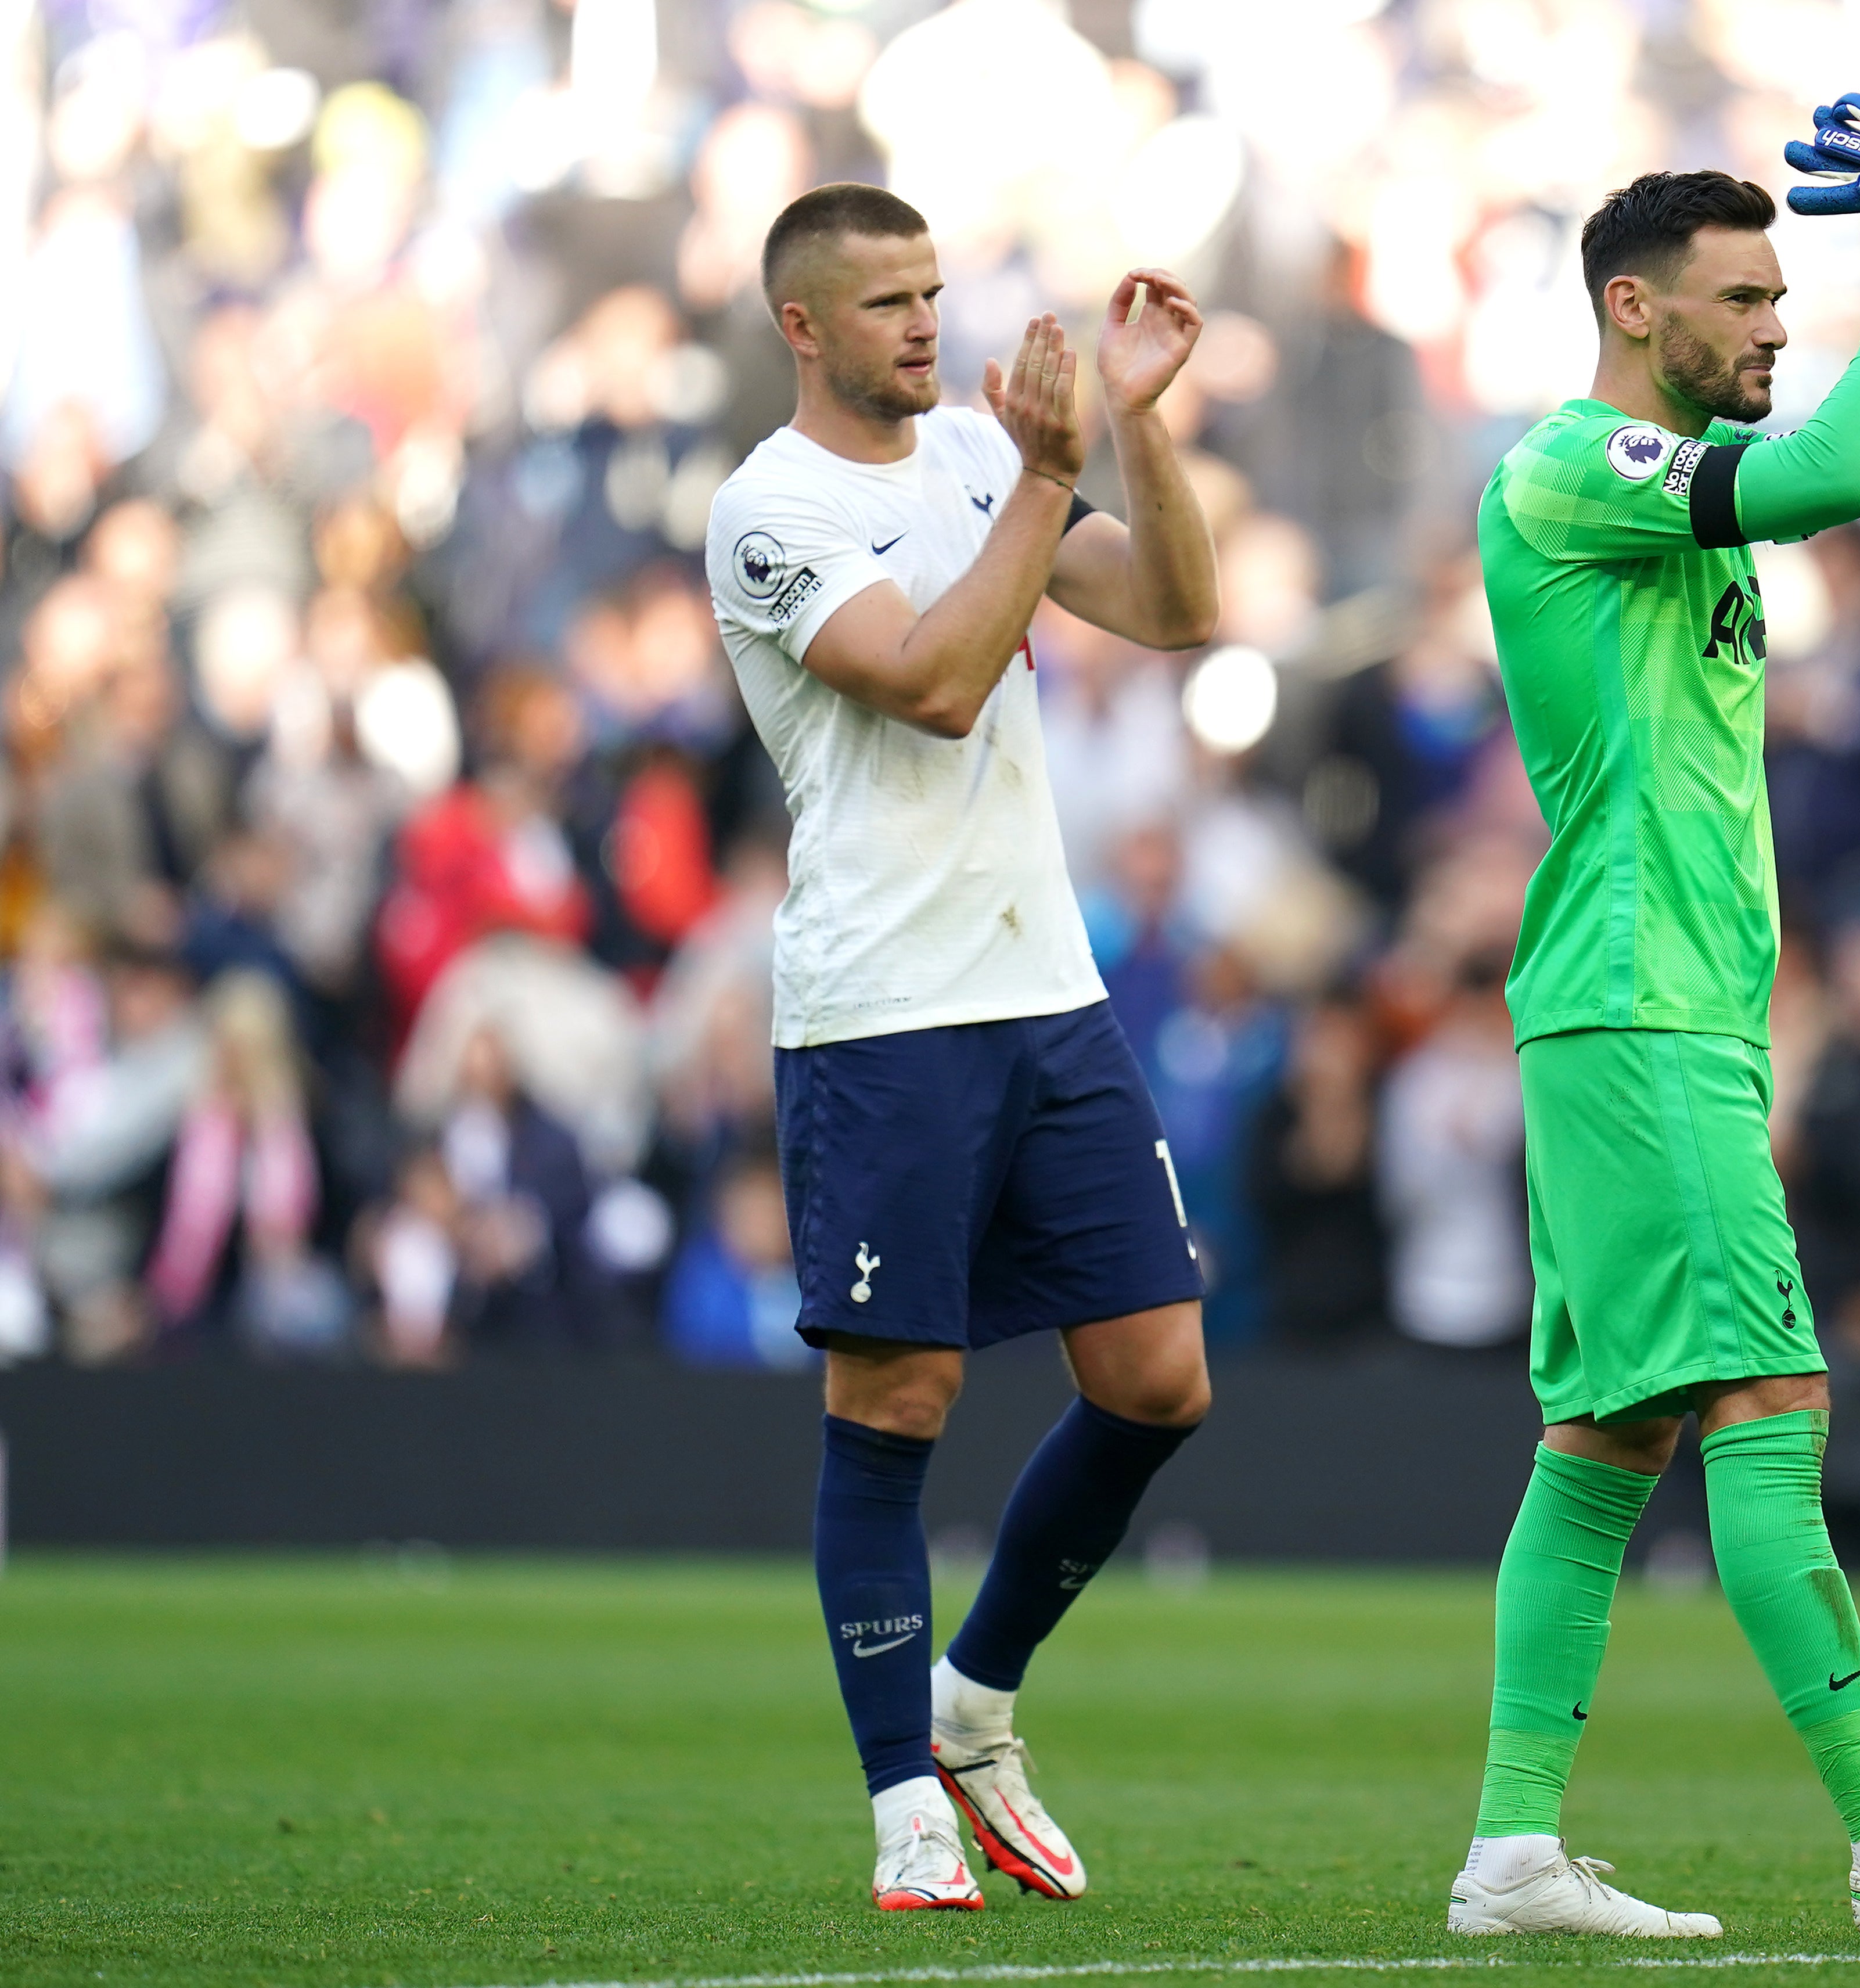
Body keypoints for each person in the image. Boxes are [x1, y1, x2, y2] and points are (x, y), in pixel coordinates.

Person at [1448, 88, 1860, 1946]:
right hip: (1638, 1009)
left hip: (1654, 1016)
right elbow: (1824, 475)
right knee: (1765, 1396)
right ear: (1636, 308)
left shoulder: (1671, 497)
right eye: (1741, 299)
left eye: (1780, 299)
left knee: (1604, 1443)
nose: (1772, 325)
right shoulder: (1571, 469)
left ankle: (1510, 1854)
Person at [702, 184, 1219, 1915]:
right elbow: (928, 678)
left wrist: (1133, 434)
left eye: (932, 292)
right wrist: (1055, 471)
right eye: (884, 303)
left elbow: (1171, 611)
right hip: (880, 1011)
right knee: (897, 1404)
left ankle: (973, 1704)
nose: (925, 323)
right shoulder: (766, 514)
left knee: (1157, 1380)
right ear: (802, 328)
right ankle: (897, 1803)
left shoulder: (979, 467)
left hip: (1042, 989)